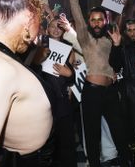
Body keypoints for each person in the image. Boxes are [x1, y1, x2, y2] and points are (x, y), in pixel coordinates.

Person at [0, 0, 54, 166]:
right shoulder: (0, 69)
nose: (38, 33)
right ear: (28, 17)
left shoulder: (0, 56)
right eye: (40, 19)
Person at [68, 0, 129, 167]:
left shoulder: (111, 38)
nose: (96, 22)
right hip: (91, 93)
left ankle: (126, 162)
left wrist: (118, 45)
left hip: (111, 92)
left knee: (119, 131)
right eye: (92, 19)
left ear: (105, 21)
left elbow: (117, 66)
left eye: (99, 19)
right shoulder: (85, 39)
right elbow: (77, 16)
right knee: (92, 134)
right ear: (89, 22)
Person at [32, 17, 77, 167]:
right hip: (44, 100)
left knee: (67, 140)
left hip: (62, 99)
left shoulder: (69, 48)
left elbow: (72, 78)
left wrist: (69, 73)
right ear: (47, 29)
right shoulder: (40, 46)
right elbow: (31, 70)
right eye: (52, 26)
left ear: (64, 30)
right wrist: (40, 56)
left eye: (59, 26)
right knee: (47, 141)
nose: (56, 29)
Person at [109, 19, 135, 146]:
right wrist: (116, 45)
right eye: (129, 30)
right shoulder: (123, 47)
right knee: (133, 128)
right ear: (125, 32)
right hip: (130, 93)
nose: (133, 33)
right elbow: (115, 64)